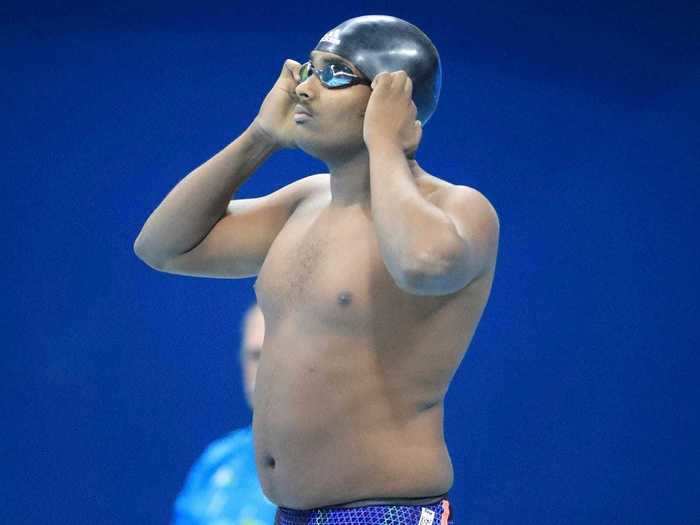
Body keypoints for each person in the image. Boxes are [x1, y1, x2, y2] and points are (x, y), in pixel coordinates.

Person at [135, 15, 499, 525]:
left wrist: (387, 146)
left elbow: (420, 265)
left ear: (391, 100)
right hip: (289, 514)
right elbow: (163, 248)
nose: (304, 88)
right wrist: (260, 136)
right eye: (309, 69)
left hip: (384, 513)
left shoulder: (460, 208)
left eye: (333, 74)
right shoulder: (302, 203)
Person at [172, 304, 277, 525]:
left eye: (279, 354)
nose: (266, 369)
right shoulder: (216, 463)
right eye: (256, 356)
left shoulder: (349, 470)